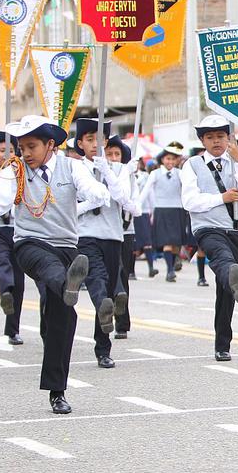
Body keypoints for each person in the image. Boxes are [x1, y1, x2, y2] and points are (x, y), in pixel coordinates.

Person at [0, 115, 110, 414]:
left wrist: (98, 190)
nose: (25, 153)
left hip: (67, 247)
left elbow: (93, 191)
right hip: (30, 243)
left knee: (63, 321)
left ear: (51, 145)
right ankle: (70, 284)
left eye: (31, 146)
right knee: (50, 270)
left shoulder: (73, 167)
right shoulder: (14, 171)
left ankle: (57, 391)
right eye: (21, 147)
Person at [180, 115, 238, 362]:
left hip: (237, 230)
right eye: (210, 137)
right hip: (208, 227)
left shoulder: (237, 161)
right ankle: (233, 273)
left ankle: (223, 344)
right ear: (202, 140)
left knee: (226, 292)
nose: (216, 142)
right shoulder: (192, 164)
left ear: (228, 138)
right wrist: (219, 198)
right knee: (223, 259)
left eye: (220, 136)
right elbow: (189, 201)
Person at [73, 119, 138, 368]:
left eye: (99, 140)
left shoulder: (119, 169)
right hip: (86, 234)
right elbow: (69, 208)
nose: (95, 145)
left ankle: (103, 348)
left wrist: (109, 172)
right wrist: (90, 202)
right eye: (89, 140)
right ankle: (102, 304)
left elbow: (127, 201)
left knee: (110, 286)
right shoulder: (74, 168)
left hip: (113, 235)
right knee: (97, 280)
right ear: (80, 144)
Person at [104, 135, 141, 340]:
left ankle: (122, 323)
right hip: (106, 232)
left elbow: (135, 205)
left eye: (117, 154)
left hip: (126, 230)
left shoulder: (130, 176)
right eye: (109, 154)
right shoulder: (99, 174)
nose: (113, 157)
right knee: (110, 274)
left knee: (122, 276)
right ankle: (107, 317)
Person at [138, 143, 188, 282]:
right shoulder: (155, 173)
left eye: (173, 159)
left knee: (176, 244)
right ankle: (170, 271)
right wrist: (137, 207)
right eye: (167, 159)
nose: (170, 162)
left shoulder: (180, 173)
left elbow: (188, 189)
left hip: (178, 210)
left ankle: (172, 265)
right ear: (162, 160)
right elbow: (146, 191)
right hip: (162, 210)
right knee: (167, 242)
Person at [0, 131, 24, 345]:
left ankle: (12, 329)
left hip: (16, 228)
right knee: (2, 261)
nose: (7, 155)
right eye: (2, 150)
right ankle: (5, 290)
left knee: (19, 281)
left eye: (11, 151)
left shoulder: (20, 173)